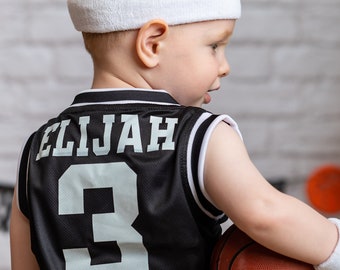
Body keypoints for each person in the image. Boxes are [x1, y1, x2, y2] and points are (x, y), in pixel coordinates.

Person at [10, 0, 340, 269]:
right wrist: (334, 245)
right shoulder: (203, 135)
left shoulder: (37, 147)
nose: (224, 65)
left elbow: (25, 261)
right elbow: (266, 213)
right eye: (214, 46)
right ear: (152, 44)